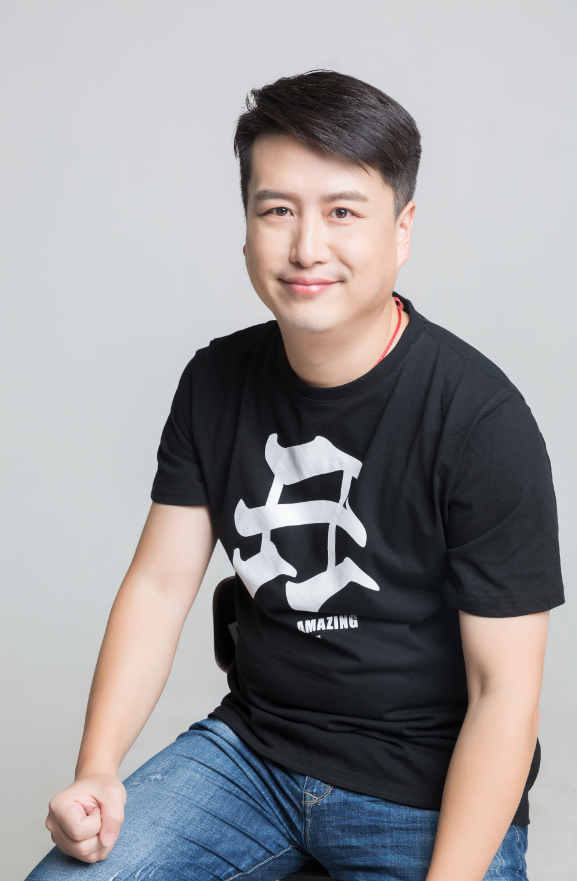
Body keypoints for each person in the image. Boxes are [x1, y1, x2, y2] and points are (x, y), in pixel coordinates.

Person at [26, 71, 564, 881]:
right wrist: (97, 767)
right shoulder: (215, 381)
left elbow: (504, 693)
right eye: (276, 210)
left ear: (402, 229)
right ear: (245, 226)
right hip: (252, 755)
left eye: (343, 211)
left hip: (422, 784)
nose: (306, 247)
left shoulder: (480, 419)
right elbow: (159, 587)